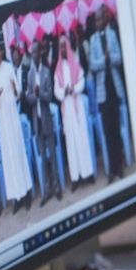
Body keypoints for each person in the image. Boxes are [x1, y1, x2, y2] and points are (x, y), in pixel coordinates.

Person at [0, 38, 33, 213]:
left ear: (2, 52)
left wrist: (14, 88)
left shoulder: (9, 68)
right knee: (8, 158)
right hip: (3, 121)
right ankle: (16, 198)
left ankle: (27, 193)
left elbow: (18, 92)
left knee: (19, 153)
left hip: (12, 117)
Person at [87, 5, 128, 180]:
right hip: (102, 93)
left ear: (105, 20)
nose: (97, 22)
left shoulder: (112, 35)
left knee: (116, 130)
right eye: (95, 20)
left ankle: (120, 168)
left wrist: (110, 58)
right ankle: (111, 170)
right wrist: (104, 60)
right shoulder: (93, 40)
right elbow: (93, 65)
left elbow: (120, 58)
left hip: (115, 89)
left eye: (99, 19)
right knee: (107, 132)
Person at [54, 28, 95, 190]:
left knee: (83, 140)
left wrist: (74, 89)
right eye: (61, 47)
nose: (63, 49)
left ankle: (88, 173)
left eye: (65, 46)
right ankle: (76, 177)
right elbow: (56, 90)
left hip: (77, 106)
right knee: (71, 143)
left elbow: (82, 81)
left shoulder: (76, 63)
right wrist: (64, 91)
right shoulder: (57, 69)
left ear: (68, 47)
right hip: (67, 109)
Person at [26, 37, 63, 205]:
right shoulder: (29, 74)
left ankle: (57, 188)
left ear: (40, 53)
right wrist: (34, 94)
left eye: (36, 51)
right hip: (37, 122)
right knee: (41, 157)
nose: (34, 54)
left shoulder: (47, 72)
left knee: (53, 155)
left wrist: (39, 93)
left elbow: (50, 96)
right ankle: (46, 191)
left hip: (47, 119)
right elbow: (28, 99)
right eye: (31, 52)